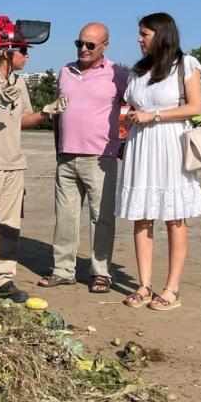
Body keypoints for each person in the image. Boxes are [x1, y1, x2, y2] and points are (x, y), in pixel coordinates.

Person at [0, 15, 67, 303]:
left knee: (8, 227)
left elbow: (22, 120)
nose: (27, 55)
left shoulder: (18, 82)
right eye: (23, 50)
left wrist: (47, 111)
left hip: (13, 164)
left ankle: (2, 279)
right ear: (5, 52)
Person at [116, 12, 201, 311]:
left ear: (162, 34)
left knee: (174, 216)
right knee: (142, 215)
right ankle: (143, 285)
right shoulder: (138, 70)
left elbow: (196, 107)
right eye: (140, 34)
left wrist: (154, 115)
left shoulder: (186, 64)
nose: (139, 40)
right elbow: (129, 103)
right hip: (141, 144)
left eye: (145, 34)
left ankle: (172, 288)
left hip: (170, 143)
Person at [39, 22, 128, 294]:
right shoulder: (65, 71)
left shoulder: (118, 73)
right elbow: (57, 112)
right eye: (80, 43)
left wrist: (123, 142)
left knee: (101, 218)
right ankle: (63, 270)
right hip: (66, 156)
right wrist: (58, 147)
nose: (84, 49)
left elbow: (134, 107)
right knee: (65, 216)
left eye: (90, 45)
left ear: (105, 45)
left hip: (100, 158)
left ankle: (101, 273)